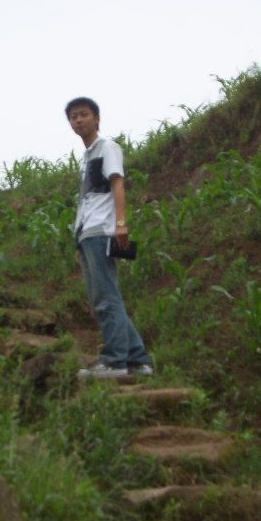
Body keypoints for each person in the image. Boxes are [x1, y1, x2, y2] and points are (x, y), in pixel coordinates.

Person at [66, 96, 154, 379]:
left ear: (97, 118)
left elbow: (117, 183)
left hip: (102, 231)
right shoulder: (86, 158)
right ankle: (138, 360)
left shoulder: (108, 148)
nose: (78, 120)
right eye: (73, 117)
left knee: (106, 298)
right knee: (103, 297)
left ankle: (115, 361)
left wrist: (121, 224)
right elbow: (88, 200)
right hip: (87, 233)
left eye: (83, 114)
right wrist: (78, 239)